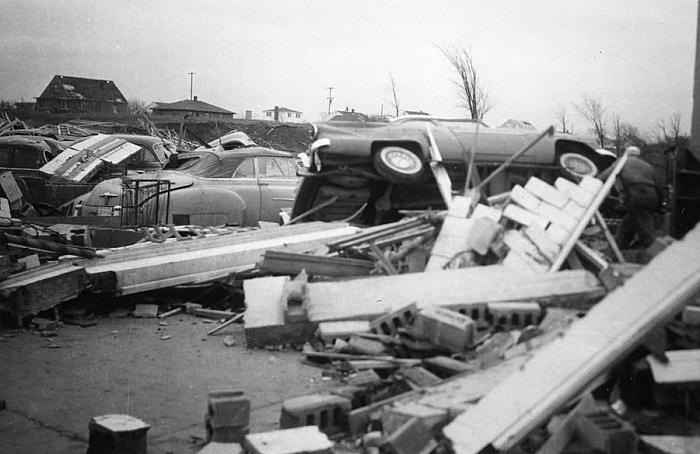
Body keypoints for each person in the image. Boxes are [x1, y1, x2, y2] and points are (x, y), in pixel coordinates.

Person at [598, 146, 661, 249]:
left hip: (637, 196)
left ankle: (657, 252)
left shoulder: (623, 162)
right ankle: (619, 248)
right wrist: (660, 203)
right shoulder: (648, 166)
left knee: (646, 229)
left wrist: (592, 180)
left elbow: (606, 175)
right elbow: (658, 186)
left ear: (626, 154)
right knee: (628, 223)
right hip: (653, 197)